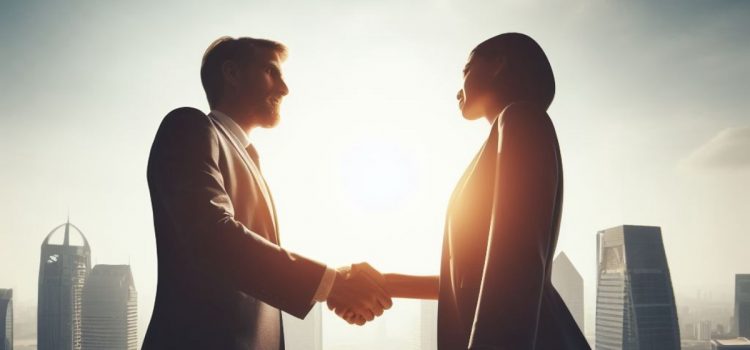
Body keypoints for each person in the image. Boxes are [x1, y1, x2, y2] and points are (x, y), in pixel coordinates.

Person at [143, 36, 391, 350]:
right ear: (232, 74)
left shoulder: (250, 159)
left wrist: (332, 285)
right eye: (271, 72)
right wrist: (331, 284)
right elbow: (213, 238)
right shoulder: (189, 127)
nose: (284, 89)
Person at [370, 33, 590, 349]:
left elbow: (515, 268)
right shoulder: (498, 141)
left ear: (498, 64)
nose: (458, 89)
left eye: (466, 70)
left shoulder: (522, 119)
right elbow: (470, 278)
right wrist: (386, 283)